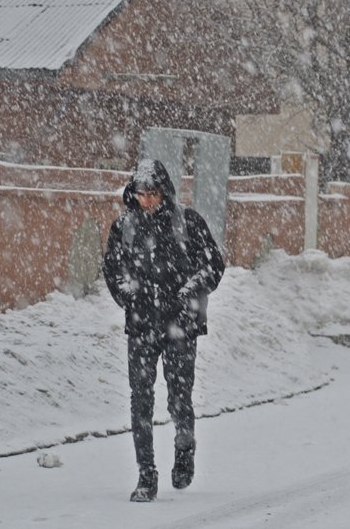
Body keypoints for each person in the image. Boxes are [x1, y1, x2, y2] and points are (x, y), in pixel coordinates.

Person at [103, 158, 225, 502]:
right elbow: (111, 270)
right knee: (140, 400)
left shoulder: (188, 223)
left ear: (165, 192)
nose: (147, 201)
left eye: (153, 194)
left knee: (178, 397)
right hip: (141, 325)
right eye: (141, 194)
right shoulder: (124, 227)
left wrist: (190, 291)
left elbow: (214, 264)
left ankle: (184, 450)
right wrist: (127, 296)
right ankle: (146, 475)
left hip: (180, 325)